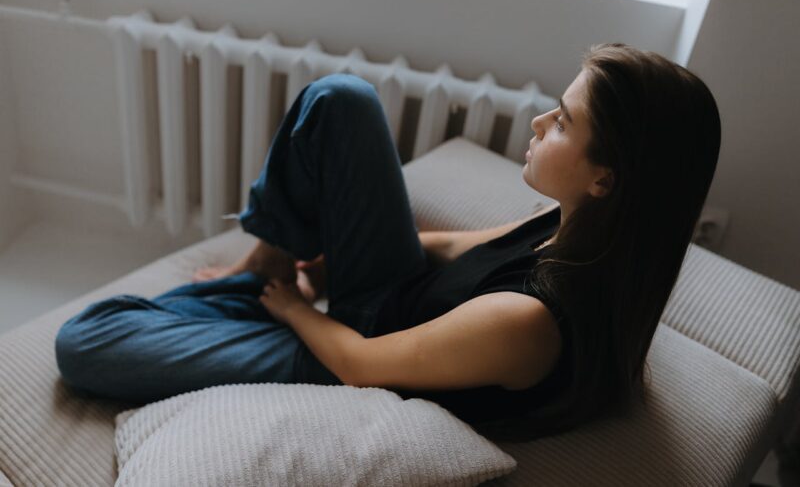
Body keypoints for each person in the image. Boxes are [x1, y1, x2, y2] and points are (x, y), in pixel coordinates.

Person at [55, 42, 720, 441]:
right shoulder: (574, 226)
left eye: (564, 121)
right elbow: (450, 251)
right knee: (341, 99)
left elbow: (362, 365)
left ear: (607, 177)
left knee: (86, 342)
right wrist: (334, 251)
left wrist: (291, 306)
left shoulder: (529, 322)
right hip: (395, 295)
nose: (541, 120)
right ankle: (268, 255)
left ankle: (254, 286)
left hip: (358, 359)